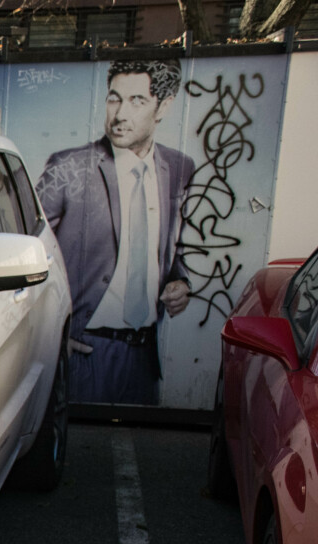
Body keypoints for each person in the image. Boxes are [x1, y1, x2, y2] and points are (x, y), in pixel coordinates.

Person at [36, 60, 194, 406]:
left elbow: (171, 244)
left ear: (163, 107)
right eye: (113, 98)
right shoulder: (69, 167)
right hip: (85, 352)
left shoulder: (179, 168)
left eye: (137, 100)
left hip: (144, 357)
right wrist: (51, 336)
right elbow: (26, 252)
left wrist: (179, 281)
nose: (120, 113)